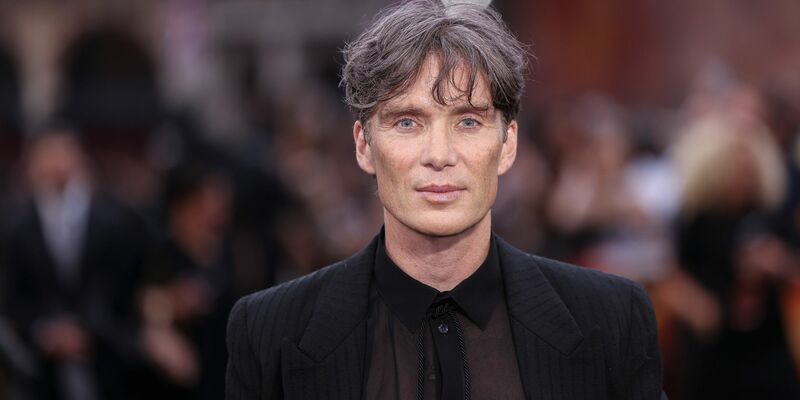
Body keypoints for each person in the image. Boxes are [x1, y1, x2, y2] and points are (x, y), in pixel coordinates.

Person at [226, 1, 664, 399]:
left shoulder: (611, 320)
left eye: (468, 122)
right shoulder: (271, 334)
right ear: (363, 146)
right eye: (408, 123)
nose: (440, 155)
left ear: (508, 145)